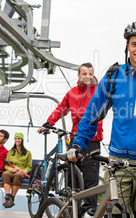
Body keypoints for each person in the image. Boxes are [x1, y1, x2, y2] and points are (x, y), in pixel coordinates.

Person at [68, 20, 136, 218]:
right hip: (118, 162)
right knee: (116, 214)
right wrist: (79, 144)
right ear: (127, 46)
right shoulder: (114, 75)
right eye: (134, 44)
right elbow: (93, 114)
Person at [39, 62, 103, 217]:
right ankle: (69, 210)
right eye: (84, 74)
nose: (87, 77)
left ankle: (88, 211)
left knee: (90, 179)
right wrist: (49, 123)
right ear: (79, 75)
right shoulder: (72, 93)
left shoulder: (99, 92)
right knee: (71, 178)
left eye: (90, 74)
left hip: (92, 140)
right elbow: (61, 109)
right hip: (74, 140)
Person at [2, 132, 32, 208]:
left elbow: (29, 167)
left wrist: (23, 171)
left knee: (18, 175)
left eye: (19, 138)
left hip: (21, 172)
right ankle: (8, 196)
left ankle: (12, 197)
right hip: (12, 171)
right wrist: (12, 169)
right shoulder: (10, 152)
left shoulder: (28, 153)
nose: (17, 140)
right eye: (15, 139)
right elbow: (6, 165)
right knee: (6, 174)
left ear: (22, 140)